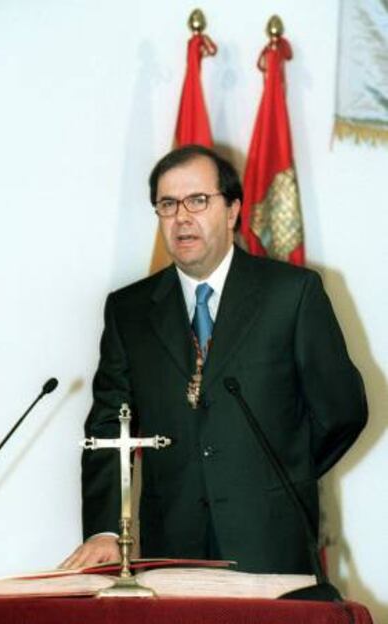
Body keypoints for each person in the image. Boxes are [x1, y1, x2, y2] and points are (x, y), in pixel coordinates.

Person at [62, 145, 367, 572]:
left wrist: (279, 476)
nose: (182, 217)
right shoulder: (129, 310)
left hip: (271, 544)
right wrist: (105, 530)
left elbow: (342, 411)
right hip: (170, 548)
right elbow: (109, 428)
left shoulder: (291, 295)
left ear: (232, 210)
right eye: (167, 204)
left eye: (198, 200)